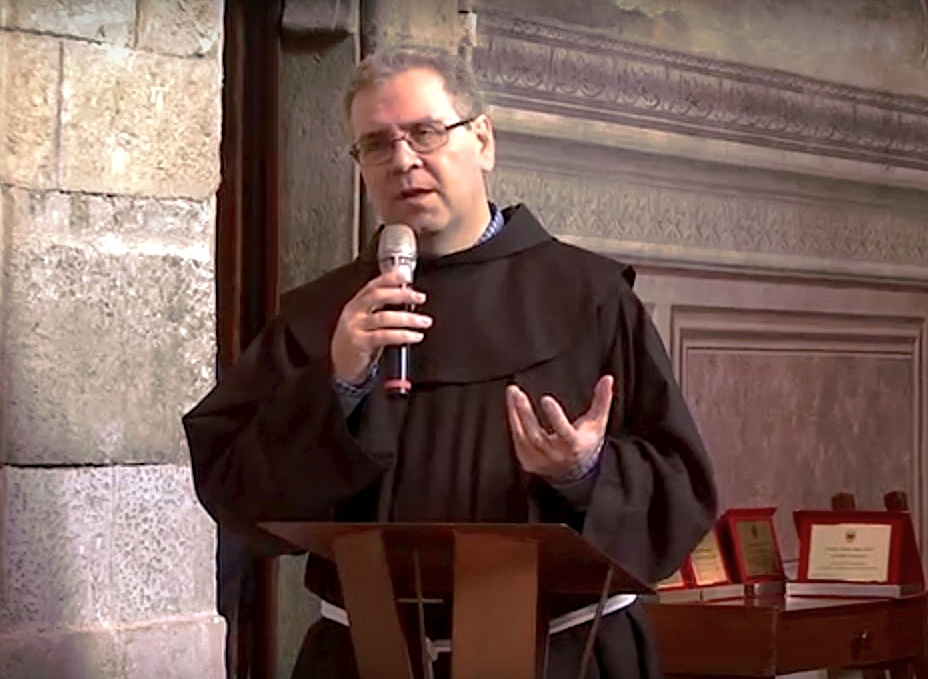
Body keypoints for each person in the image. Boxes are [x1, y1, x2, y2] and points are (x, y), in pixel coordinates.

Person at [184, 45, 717, 679]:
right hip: (364, 658)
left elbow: (683, 487)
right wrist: (336, 385)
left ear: (482, 140)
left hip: (560, 657)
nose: (403, 160)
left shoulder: (590, 297)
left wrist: (585, 472)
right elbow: (235, 490)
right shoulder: (322, 315)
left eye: (425, 132)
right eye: (376, 144)